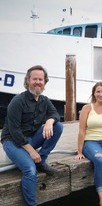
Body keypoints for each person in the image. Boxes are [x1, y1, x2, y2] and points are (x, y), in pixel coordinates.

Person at [1, 65, 63, 206]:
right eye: (35, 79)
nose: (38, 82)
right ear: (28, 80)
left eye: (41, 79)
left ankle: (42, 161)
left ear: (44, 82)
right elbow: (15, 132)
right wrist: (32, 151)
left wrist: (49, 121)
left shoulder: (44, 100)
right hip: (12, 142)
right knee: (30, 170)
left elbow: (55, 114)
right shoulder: (17, 101)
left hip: (31, 138)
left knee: (57, 126)